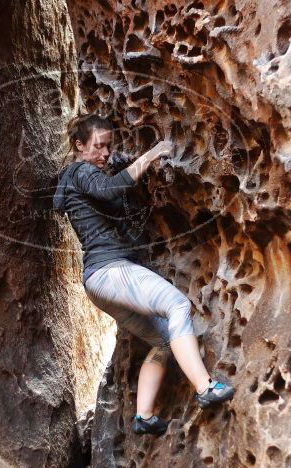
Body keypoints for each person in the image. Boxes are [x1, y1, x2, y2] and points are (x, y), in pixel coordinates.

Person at [53, 113, 235, 436]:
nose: (105, 154)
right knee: (177, 305)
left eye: (109, 146)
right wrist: (151, 155)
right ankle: (206, 388)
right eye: (98, 146)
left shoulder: (85, 173)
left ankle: (144, 416)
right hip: (110, 272)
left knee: (165, 339)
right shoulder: (79, 171)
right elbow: (109, 189)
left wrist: (129, 160)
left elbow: (112, 178)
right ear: (79, 146)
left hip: (100, 282)